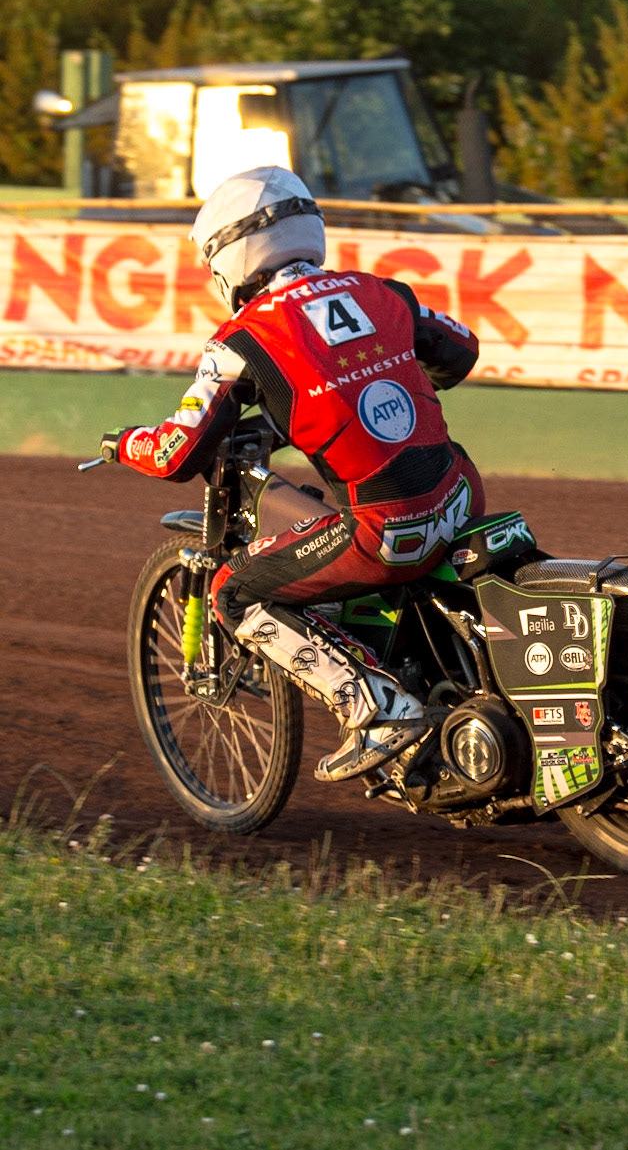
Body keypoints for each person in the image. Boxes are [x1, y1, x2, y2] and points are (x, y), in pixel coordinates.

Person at [101, 165, 484, 782]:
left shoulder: (241, 340)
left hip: (387, 532)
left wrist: (122, 444)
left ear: (228, 256)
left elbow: (177, 453)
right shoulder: (382, 291)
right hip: (462, 495)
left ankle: (376, 711)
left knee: (233, 591)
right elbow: (460, 352)